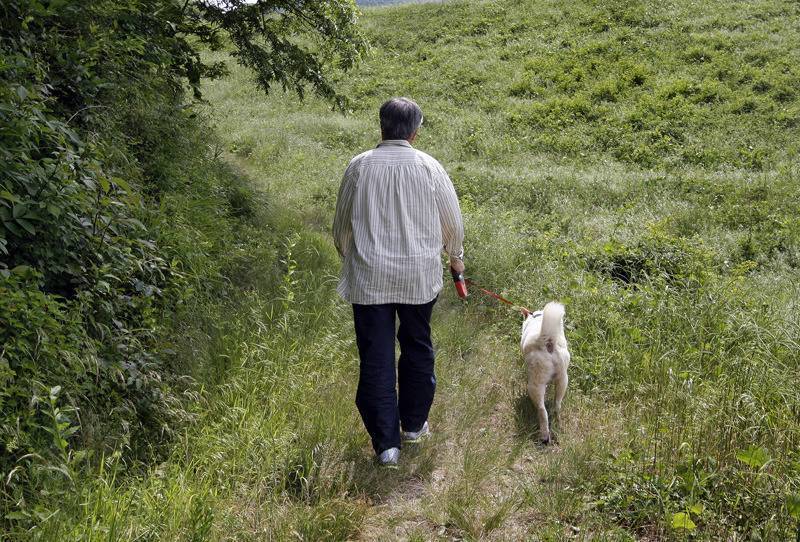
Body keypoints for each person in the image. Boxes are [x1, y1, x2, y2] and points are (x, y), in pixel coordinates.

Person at [333, 97, 465, 467]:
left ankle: (386, 446)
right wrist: (455, 257)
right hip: (418, 276)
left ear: (381, 127)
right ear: (415, 131)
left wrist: (351, 256)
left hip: (369, 278)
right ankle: (414, 425)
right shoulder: (429, 167)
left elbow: (341, 224)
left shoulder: (359, 166)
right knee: (417, 346)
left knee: (375, 355)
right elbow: (452, 222)